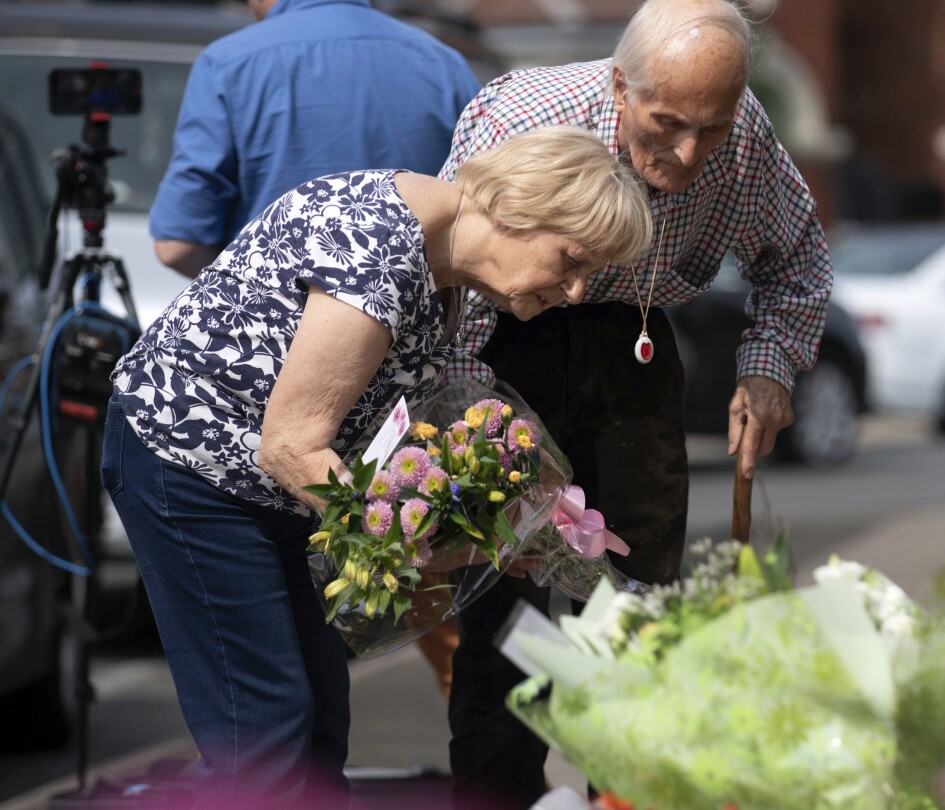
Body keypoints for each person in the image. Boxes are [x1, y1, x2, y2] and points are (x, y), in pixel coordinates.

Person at [101, 126, 652, 808]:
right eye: (570, 261)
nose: (574, 291)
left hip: (270, 491)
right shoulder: (381, 248)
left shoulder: (445, 269)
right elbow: (291, 446)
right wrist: (425, 549)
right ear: (516, 209)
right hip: (189, 466)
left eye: (588, 275)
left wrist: (516, 521)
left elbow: (422, 403)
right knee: (265, 735)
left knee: (321, 731)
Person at [438, 0, 833, 805]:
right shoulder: (527, 116)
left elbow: (797, 261)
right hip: (506, 345)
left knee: (633, 614)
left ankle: (621, 795)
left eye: (711, 129)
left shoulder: (744, 133)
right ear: (621, 87)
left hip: (636, 349)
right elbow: (452, 285)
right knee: (507, 623)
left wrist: (768, 368)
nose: (689, 153)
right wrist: (461, 424)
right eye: (666, 124)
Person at [149, 0, 480, 279]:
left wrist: (259, 294)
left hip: (268, 340)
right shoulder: (445, 64)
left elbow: (178, 245)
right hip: (411, 336)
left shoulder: (229, 61)